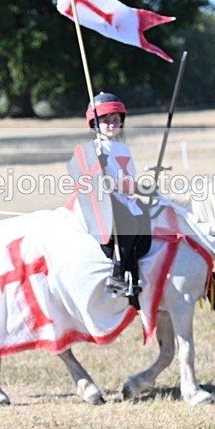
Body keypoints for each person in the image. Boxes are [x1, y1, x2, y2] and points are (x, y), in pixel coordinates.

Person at [84, 92, 150, 297]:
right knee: (129, 224)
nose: (112, 124)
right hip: (106, 199)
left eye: (115, 120)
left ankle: (133, 275)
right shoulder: (95, 148)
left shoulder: (122, 147)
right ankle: (116, 275)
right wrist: (98, 165)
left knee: (144, 219)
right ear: (95, 123)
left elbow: (129, 176)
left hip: (125, 196)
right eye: (105, 121)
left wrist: (140, 188)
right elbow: (91, 178)